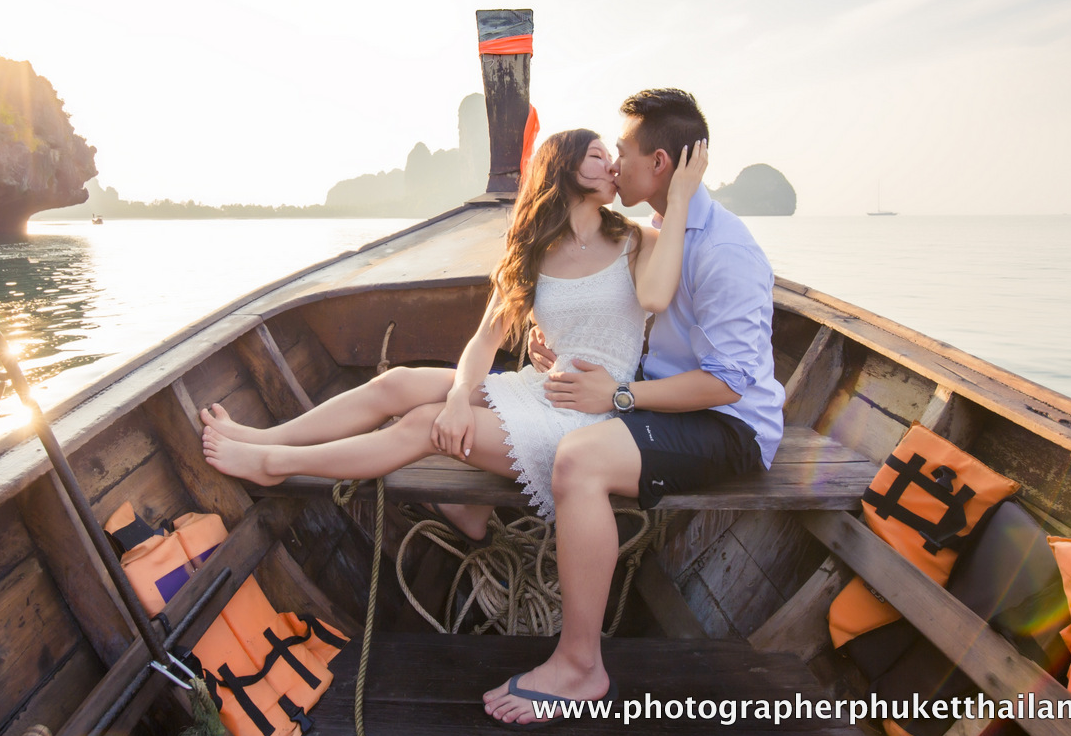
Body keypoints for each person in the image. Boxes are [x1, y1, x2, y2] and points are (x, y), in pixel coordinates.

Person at [199, 126, 705, 541]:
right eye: (598, 156)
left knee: (424, 424)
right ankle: (264, 436)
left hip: (585, 419)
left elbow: (657, 298)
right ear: (565, 168)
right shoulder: (531, 249)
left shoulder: (637, 240)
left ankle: (274, 462)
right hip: (541, 387)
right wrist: (462, 396)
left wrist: (677, 201)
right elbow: (486, 340)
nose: (612, 166)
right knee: (396, 384)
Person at [481, 88, 782, 725]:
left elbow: (729, 384)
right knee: (556, 432)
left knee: (579, 461)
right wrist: (550, 343)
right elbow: (619, 307)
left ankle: (580, 665)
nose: (614, 164)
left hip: (727, 427)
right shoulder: (658, 232)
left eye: (622, 151)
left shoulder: (724, 252)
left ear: (662, 165)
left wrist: (618, 395)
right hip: (666, 400)